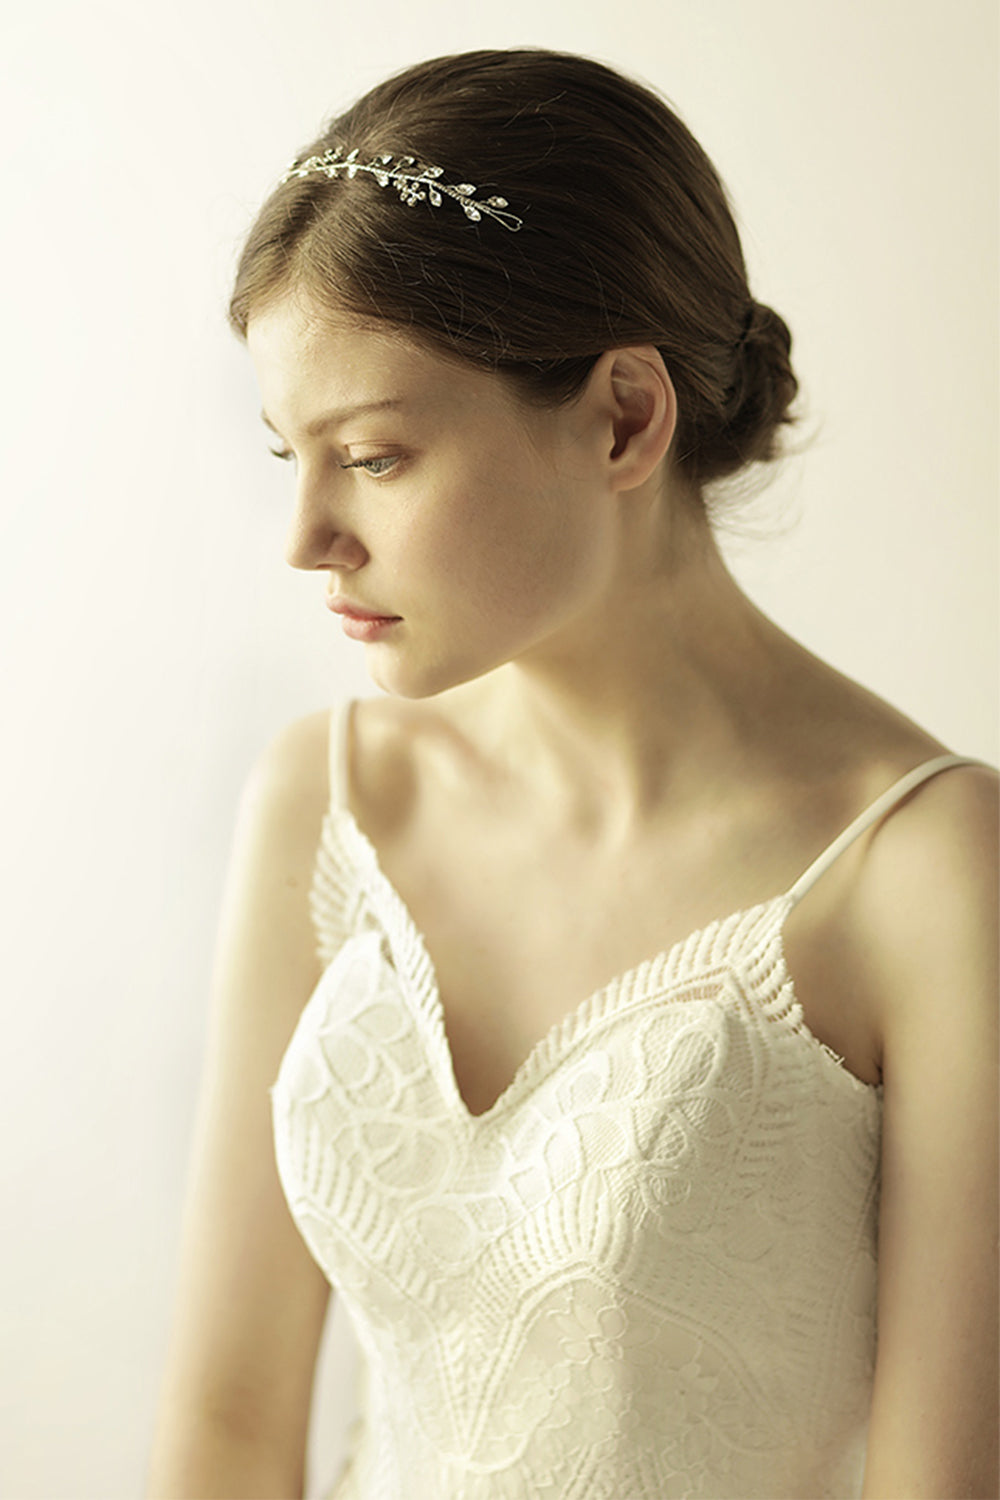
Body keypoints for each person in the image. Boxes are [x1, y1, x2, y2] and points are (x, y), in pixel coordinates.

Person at [146, 47, 999, 1500]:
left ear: (622, 417)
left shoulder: (927, 873)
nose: (305, 535)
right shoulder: (326, 797)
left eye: (374, 455)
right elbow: (229, 1424)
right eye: (288, 450)